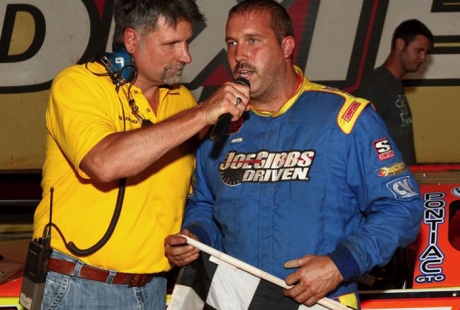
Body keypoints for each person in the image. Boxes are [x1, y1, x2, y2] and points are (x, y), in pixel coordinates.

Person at [164, 1, 424, 309]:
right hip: (235, 299)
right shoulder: (220, 122)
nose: (239, 55)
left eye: (253, 40)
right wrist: (196, 237)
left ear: (286, 46)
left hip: (321, 302)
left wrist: (341, 264)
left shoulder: (345, 119)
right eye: (232, 43)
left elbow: (401, 207)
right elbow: (205, 203)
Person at [32, 0, 250, 309]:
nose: (186, 56)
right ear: (132, 40)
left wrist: (190, 233)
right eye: (172, 44)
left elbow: (203, 191)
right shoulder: (79, 85)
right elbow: (104, 163)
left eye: (187, 42)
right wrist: (203, 113)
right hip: (78, 285)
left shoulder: (182, 101)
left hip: (153, 289)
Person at [353, 19, 433, 166]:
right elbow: (361, 138)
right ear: (400, 44)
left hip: (401, 181)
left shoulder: (394, 83)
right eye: (419, 50)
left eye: (425, 53)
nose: (422, 59)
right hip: (386, 183)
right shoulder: (375, 84)